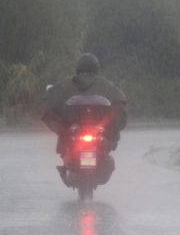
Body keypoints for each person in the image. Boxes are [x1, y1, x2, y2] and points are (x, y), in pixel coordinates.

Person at [42, 53, 127, 184]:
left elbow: (51, 98)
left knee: (65, 136)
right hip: (86, 134)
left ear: (78, 68)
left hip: (85, 134)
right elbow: (120, 101)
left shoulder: (67, 85)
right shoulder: (106, 85)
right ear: (96, 68)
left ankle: (73, 163)